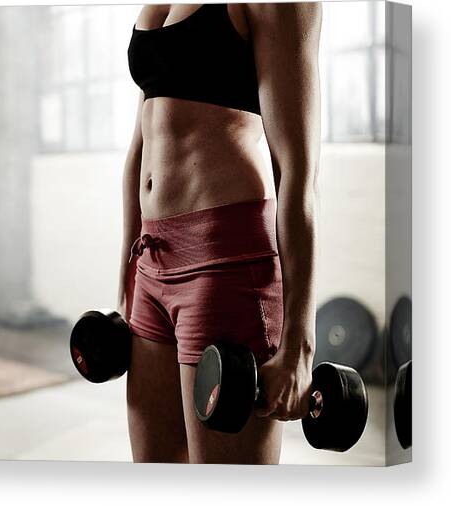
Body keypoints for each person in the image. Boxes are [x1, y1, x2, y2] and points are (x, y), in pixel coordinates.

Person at [118, 2, 322, 464]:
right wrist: (126, 284)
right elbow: (139, 150)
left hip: (225, 263)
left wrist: (298, 345)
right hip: (151, 262)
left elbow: (297, 171)